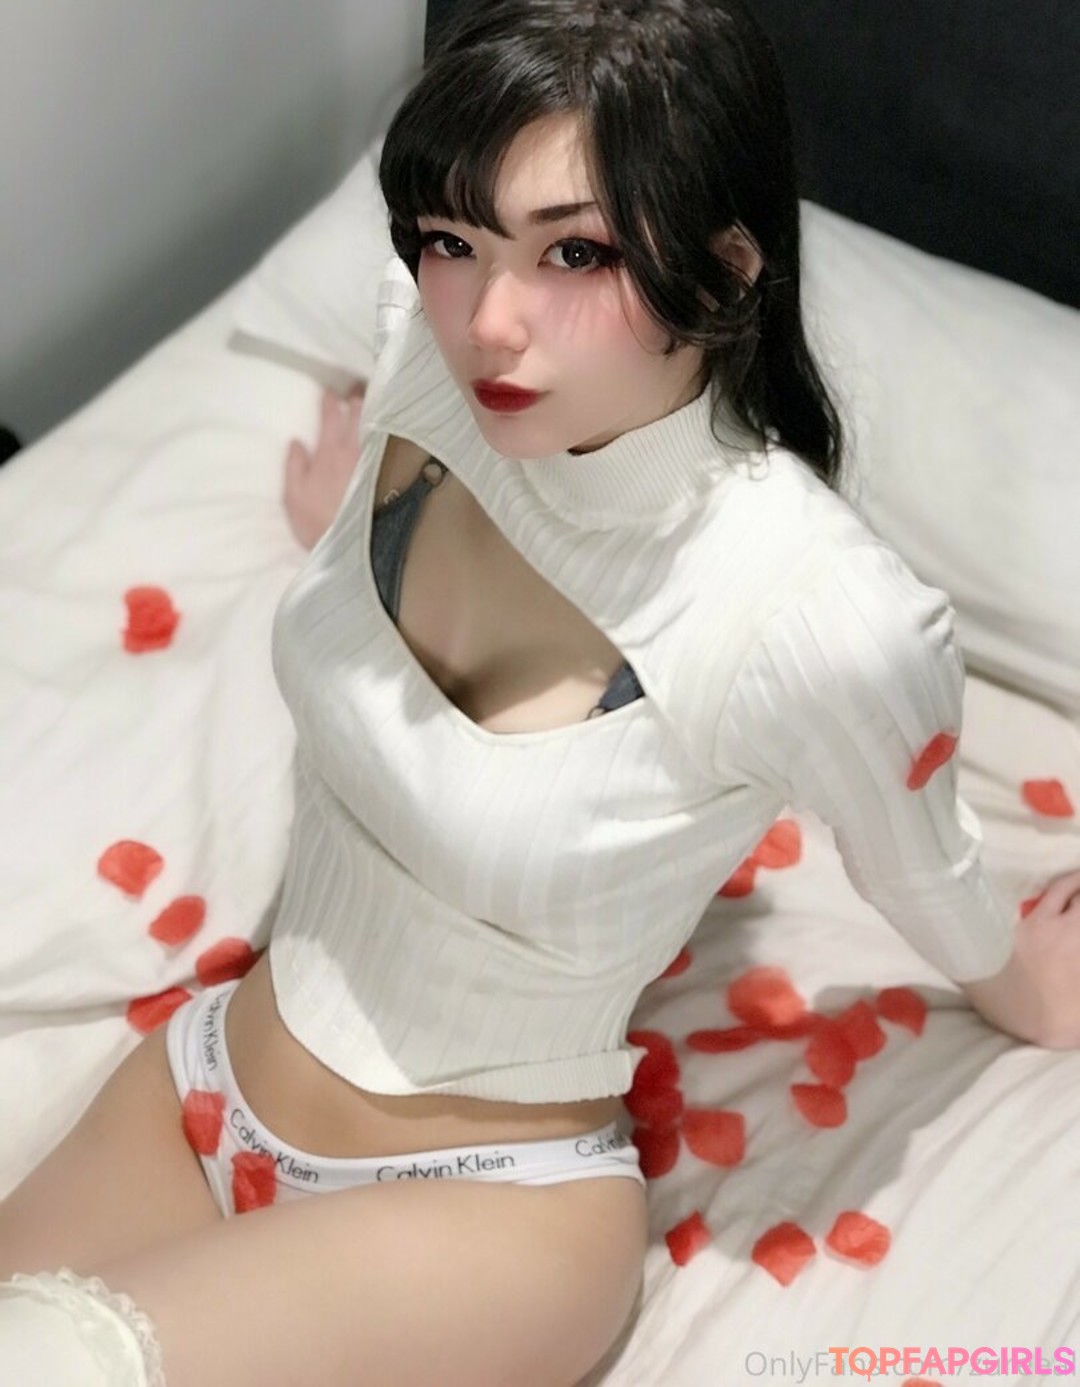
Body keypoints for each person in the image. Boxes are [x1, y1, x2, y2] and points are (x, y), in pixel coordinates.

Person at [2, 2, 1079, 1383]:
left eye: (575, 253)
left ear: (726, 267)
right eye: (454, 239)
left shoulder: (819, 620)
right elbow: (430, 488)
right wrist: (348, 551)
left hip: (493, 1208)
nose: (489, 321)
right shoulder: (426, 358)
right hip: (214, 1076)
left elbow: (918, 860)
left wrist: (1025, 988)